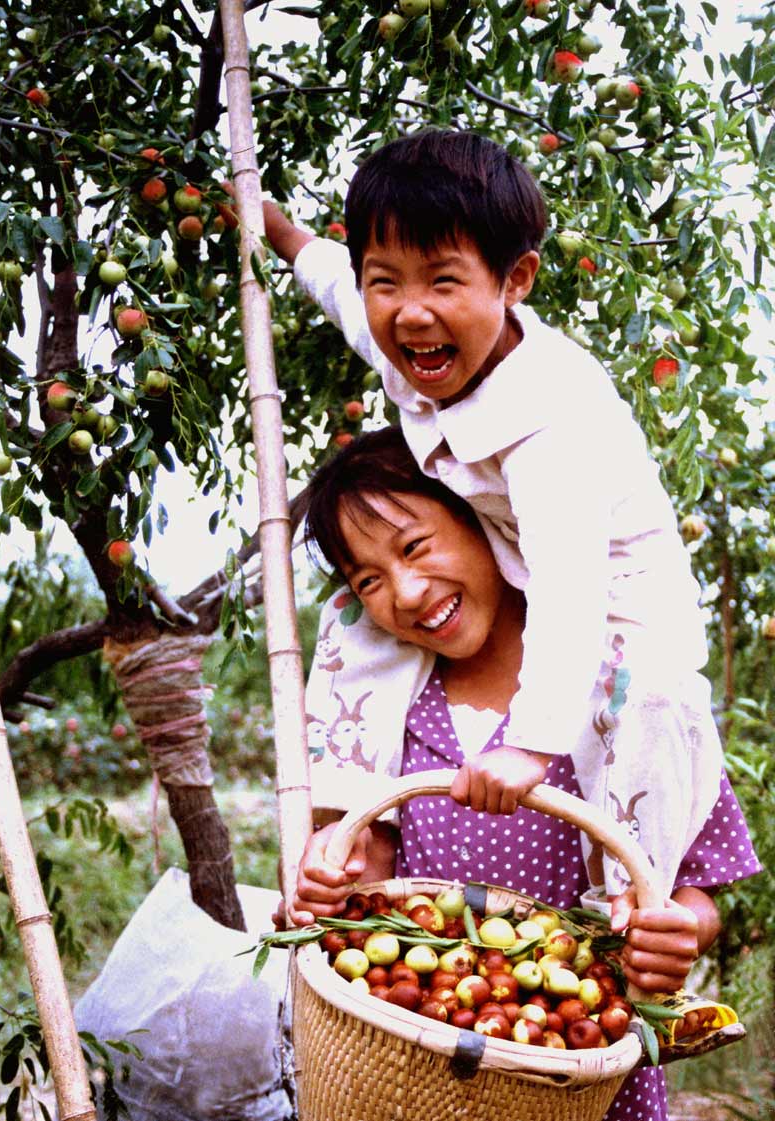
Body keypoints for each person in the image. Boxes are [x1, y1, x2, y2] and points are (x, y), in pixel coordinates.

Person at [263, 129, 723, 902]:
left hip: (619, 596)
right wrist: (272, 227)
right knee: (359, 612)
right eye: (386, 281)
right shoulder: (410, 340)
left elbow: (570, 589)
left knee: (643, 710)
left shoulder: (549, 422)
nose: (411, 312)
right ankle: (345, 825)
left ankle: (626, 901)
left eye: (443, 281)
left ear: (516, 281)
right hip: (522, 558)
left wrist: (531, 746)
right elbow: (335, 285)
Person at [287, 426, 761, 1121]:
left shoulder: (623, 691)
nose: (407, 592)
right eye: (368, 581)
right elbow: (372, 873)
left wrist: (677, 931)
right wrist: (329, 882)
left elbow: (698, 880)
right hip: (429, 1070)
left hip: (585, 1068)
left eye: (414, 546)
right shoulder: (390, 707)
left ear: (489, 520)